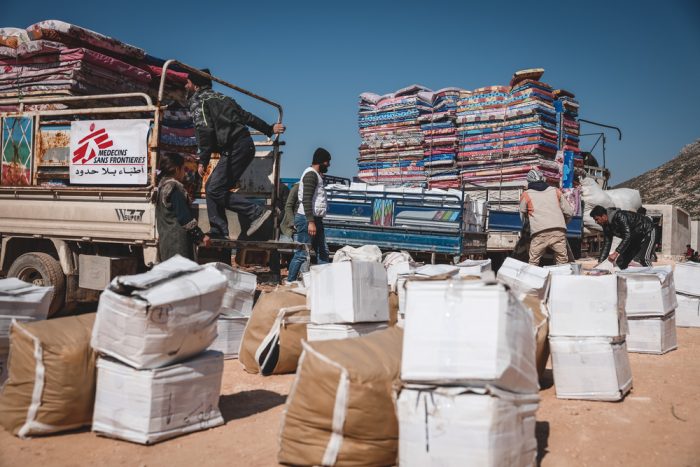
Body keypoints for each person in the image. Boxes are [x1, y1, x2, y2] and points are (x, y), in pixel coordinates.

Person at [187, 68, 285, 239]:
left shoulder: (198, 101)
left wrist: (203, 159)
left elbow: (205, 131)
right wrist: (268, 129)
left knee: (214, 188)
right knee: (213, 188)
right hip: (245, 146)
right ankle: (218, 231)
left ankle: (256, 212)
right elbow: (246, 116)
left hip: (236, 148)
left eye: (187, 82)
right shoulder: (223, 97)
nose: (185, 85)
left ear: (195, 85)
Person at [287, 148, 332, 282]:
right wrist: (310, 222)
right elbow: (306, 200)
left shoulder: (316, 175)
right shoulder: (311, 175)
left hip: (315, 219)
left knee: (322, 250)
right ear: (321, 162)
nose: (328, 165)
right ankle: (290, 282)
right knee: (302, 253)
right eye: (327, 162)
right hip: (307, 219)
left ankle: (323, 282)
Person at [156, 153, 211, 261]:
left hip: (166, 242)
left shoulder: (162, 187)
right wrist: (201, 236)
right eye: (183, 169)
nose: (185, 172)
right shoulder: (174, 188)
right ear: (177, 169)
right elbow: (184, 218)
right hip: (178, 245)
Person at [518, 169, 574, 266]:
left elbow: (522, 215)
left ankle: (532, 280)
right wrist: (564, 223)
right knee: (562, 262)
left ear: (529, 181)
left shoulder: (526, 194)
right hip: (559, 232)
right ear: (543, 179)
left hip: (539, 233)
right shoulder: (556, 191)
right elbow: (569, 212)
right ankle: (561, 280)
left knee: (533, 262)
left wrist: (528, 227)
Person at [590, 205, 656, 269]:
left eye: (597, 219)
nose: (596, 222)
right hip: (634, 238)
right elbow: (607, 243)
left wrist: (616, 253)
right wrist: (600, 262)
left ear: (604, 216)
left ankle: (654, 278)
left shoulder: (620, 216)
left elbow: (627, 236)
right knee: (621, 262)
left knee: (643, 259)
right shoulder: (606, 226)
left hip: (647, 230)